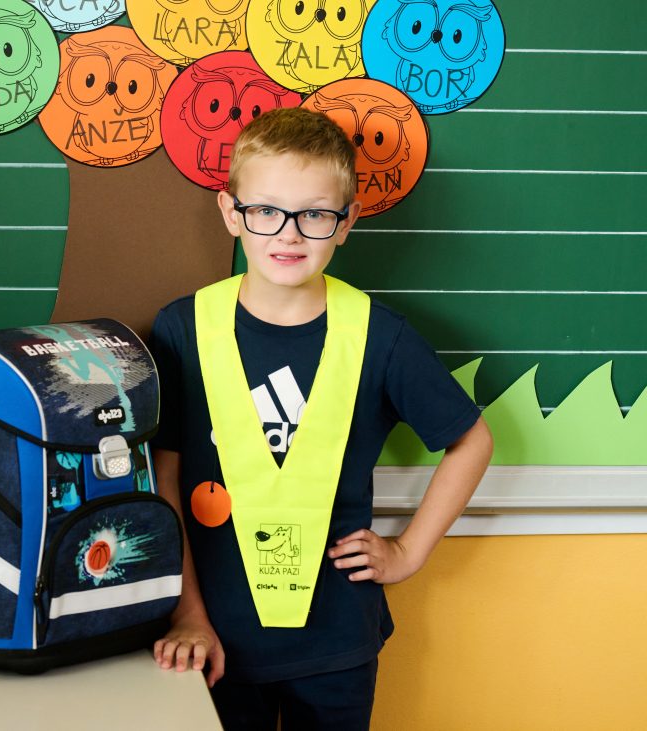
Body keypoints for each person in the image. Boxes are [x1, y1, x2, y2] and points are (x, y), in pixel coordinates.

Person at [149, 107, 493, 730]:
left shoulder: (381, 337)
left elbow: (471, 440)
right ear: (231, 212)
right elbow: (165, 479)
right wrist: (187, 613)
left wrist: (408, 552)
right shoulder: (183, 328)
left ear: (347, 221)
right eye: (265, 211)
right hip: (213, 636)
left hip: (337, 641)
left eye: (314, 214)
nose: (289, 234)